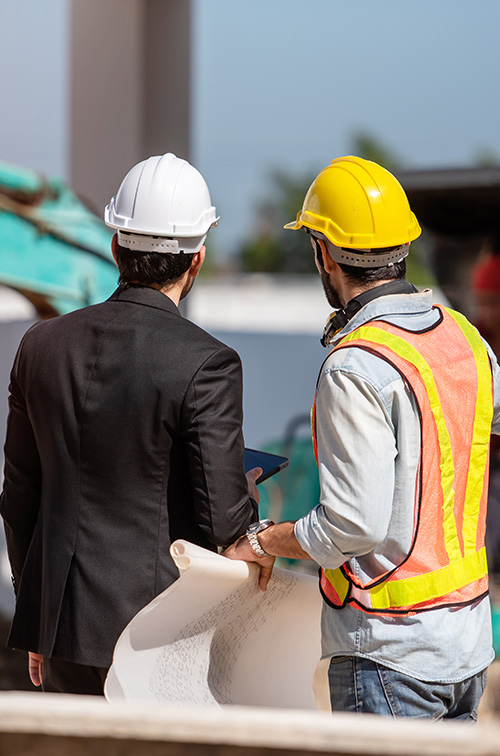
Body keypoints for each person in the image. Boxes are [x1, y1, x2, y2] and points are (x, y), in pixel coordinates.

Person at [224, 156, 500, 720]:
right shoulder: (467, 340)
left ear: (323, 252)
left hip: (391, 658)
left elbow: (354, 525)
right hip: (467, 650)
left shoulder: (356, 365)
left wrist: (262, 540)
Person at [0, 153, 259, 695]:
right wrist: (247, 490)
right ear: (198, 259)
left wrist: (37, 618)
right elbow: (224, 523)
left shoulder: (39, 346)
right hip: (157, 635)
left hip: (61, 628)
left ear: (115, 245)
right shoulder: (208, 362)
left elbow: (20, 494)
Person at [472, 251, 500, 572]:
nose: (488, 311)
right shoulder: (477, 339)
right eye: (483, 301)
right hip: (484, 465)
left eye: (495, 301)